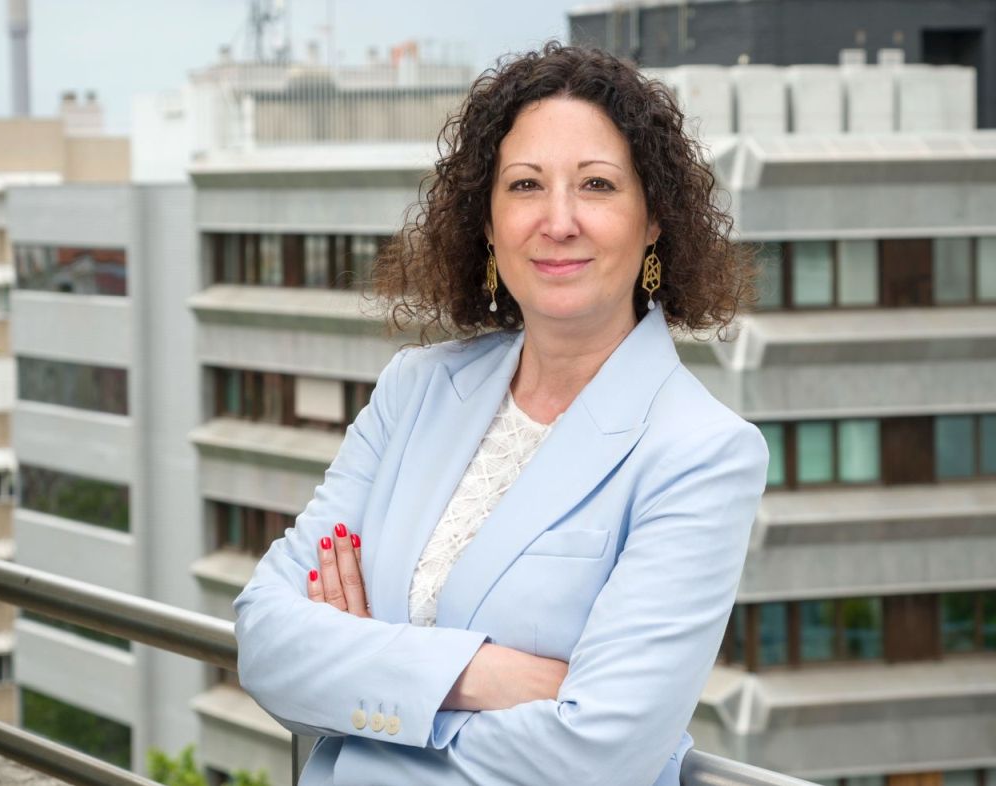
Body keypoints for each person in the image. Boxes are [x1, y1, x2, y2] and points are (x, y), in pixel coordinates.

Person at [234, 41, 769, 786]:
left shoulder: (701, 451)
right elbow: (265, 639)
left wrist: (364, 691)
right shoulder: (415, 389)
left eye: (597, 185)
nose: (559, 220)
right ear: (487, 222)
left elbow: (598, 755)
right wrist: (482, 674)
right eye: (524, 185)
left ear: (654, 220)